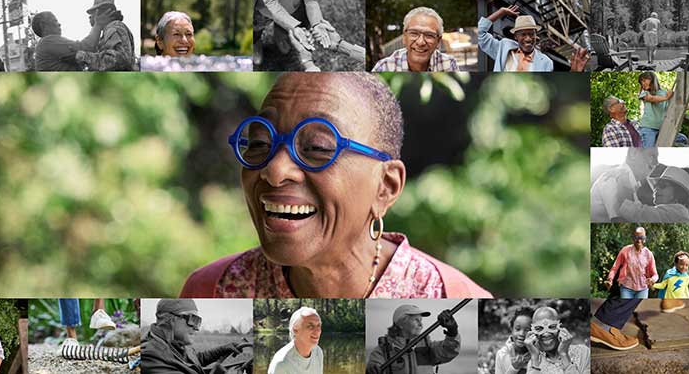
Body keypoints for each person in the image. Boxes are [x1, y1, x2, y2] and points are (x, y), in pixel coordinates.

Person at [179, 73, 491, 299]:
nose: (274, 170)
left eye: (317, 147)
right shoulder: (212, 294)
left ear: (386, 187)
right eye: (261, 142)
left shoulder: (453, 302)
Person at [141, 299, 251, 373]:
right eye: (193, 320)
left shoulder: (175, 343)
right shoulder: (149, 356)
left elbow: (194, 360)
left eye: (199, 321)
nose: (197, 328)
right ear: (171, 319)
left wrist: (223, 349)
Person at [477, 5, 588, 72]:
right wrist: (501, 12)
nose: (528, 38)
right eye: (523, 34)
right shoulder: (504, 47)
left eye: (531, 34)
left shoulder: (546, 62)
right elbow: (480, 34)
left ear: (536, 35)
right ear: (516, 36)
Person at [366, 304, 460, 374]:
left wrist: (452, 331)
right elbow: (373, 367)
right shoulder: (383, 350)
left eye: (421, 320)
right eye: (416, 320)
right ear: (401, 324)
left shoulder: (428, 346)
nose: (421, 325)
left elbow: (448, 352)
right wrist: (372, 369)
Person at [372, 7, 458, 72]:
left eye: (429, 35)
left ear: (438, 41)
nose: (420, 42)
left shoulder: (448, 64)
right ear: (404, 37)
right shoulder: (383, 67)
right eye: (414, 33)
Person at [590, 148, 659, 222]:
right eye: (652, 156)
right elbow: (620, 221)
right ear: (633, 153)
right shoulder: (614, 178)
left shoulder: (629, 182)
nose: (657, 163)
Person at [76, 0, 138, 71]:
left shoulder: (113, 27)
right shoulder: (109, 29)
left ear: (101, 12)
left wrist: (84, 56)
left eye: (93, 12)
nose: (90, 17)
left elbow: (118, 60)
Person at [522, 307, 590, 374]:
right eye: (539, 328)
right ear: (532, 333)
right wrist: (534, 358)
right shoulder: (534, 363)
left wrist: (564, 355)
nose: (546, 334)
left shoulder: (583, 352)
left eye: (552, 327)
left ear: (560, 328)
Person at [617, 165, 689, 223]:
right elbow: (640, 209)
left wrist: (621, 184)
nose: (656, 189)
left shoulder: (677, 212)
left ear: (678, 193)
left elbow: (639, 213)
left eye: (662, 186)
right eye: (655, 186)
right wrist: (632, 191)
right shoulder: (675, 212)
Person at [636, 72, 689, 147]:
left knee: (683, 139)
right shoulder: (644, 93)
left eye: (644, 80)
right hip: (648, 128)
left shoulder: (665, 93)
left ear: (652, 79)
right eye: (641, 82)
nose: (642, 83)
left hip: (662, 129)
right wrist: (666, 98)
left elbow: (674, 107)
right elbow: (651, 98)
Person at [604, 227, 659, 299]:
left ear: (645, 239)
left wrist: (652, 279)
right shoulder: (625, 250)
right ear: (633, 238)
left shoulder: (648, 254)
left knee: (638, 308)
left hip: (643, 289)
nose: (639, 240)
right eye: (636, 238)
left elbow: (655, 275)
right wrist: (610, 279)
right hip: (626, 287)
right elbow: (615, 267)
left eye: (641, 238)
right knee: (626, 308)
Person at [268, 307, 323, 374]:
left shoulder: (318, 352)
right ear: (295, 330)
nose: (317, 331)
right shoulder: (282, 364)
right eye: (310, 326)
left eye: (318, 326)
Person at [495, 307, 534, 374]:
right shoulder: (502, 354)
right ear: (511, 329)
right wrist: (514, 368)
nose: (521, 334)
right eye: (517, 329)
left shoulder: (539, 354)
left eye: (527, 330)